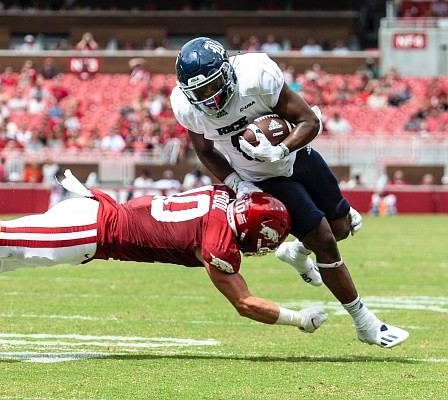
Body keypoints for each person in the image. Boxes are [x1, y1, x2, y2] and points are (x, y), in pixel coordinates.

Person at [0, 151, 329, 337]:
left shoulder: (224, 197)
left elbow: (246, 224)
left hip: (93, 215)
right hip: (92, 231)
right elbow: (244, 303)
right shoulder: (220, 239)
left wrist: (290, 252)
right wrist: (296, 318)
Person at [171, 37, 408, 348]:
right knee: (324, 241)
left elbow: (310, 121)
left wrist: (280, 148)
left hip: (297, 156)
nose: (209, 98)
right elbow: (204, 150)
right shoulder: (186, 107)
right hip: (260, 178)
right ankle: (365, 322)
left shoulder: (256, 75)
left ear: (227, 71)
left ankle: (296, 252)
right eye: (199, 93)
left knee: (341, 229)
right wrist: (237, 183)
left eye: (211, 86)